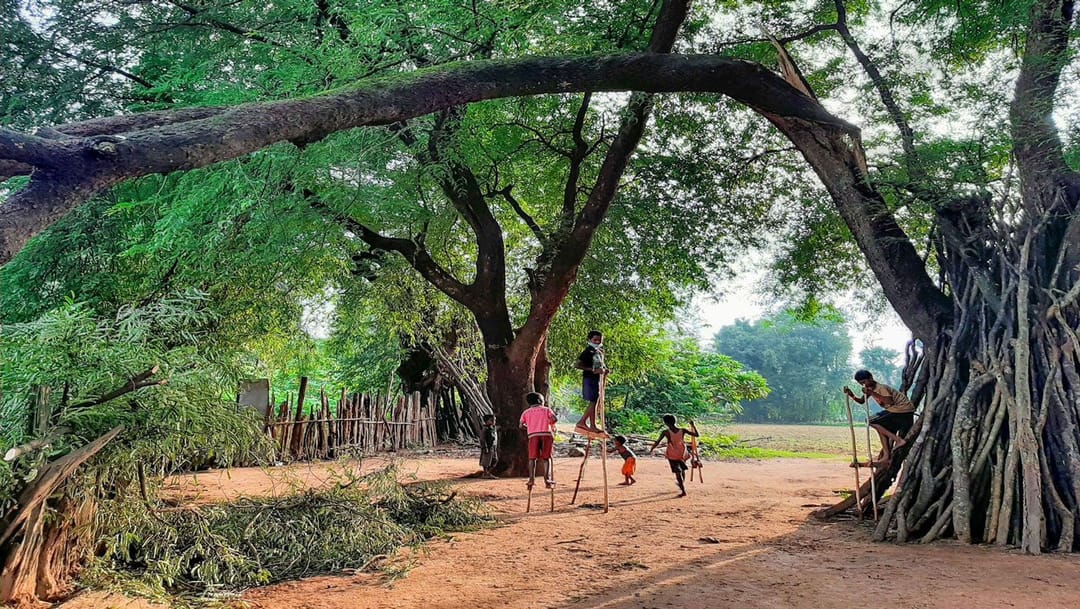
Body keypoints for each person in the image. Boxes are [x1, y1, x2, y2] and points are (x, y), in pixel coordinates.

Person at [843, 369, 915, 467]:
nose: (863, 385)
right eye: (861, 383)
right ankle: (886, 456)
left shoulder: (881, 388)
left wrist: (872, 393)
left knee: (870, 420)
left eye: (864, 382)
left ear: (871, 378)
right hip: (896, 412)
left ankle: (898, 440)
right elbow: (861, 401)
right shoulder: (869, 389)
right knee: (880, 428)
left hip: (902, 410)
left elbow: (890, 401)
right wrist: (851, 395)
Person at [649, 414, 699, 497]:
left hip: (672, 453)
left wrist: (652, 448)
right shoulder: (683, 430)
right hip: (682, 452)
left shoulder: (666, 432)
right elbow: (696, 435)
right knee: (682, 469)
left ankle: (683, 490)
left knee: (677, 471)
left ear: (666, 423)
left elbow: (658, 441)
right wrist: (693, 426)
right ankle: (681, 484)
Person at [519, 392, 558, 489]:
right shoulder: (546, 410)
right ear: (540, 401)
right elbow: (554, 419)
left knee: (532, 458)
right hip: (546, 434)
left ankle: (531, 479)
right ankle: (547, 479)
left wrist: (529, 427)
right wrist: (549, 423)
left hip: (533, 435)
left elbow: (521, 425)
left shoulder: (526, 412)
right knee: (546, 458)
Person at [575, 330, 608, 434]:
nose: (597, 342)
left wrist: (604, 370)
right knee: (593, 401)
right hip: (589, 379)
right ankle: (587, 423)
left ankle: (585, 422)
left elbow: (600, 365)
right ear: (589, 340)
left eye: (599, 340)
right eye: (595, 340)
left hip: (597, 379)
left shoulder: (599, 351)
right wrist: (593, 370)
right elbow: (578, 365)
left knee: (595, 401)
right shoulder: (587, 351)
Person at [479, 414, 498, 479]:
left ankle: (488, 473)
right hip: (488, 447)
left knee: (494, 460)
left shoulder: (493, 428)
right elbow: (482, 439)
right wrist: (485, 447)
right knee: (486, 461)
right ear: (486, 421)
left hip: (493, 447)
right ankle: (485, 473)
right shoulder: (485, 429)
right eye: (491, 420)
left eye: (494, 420)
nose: (493, 421)